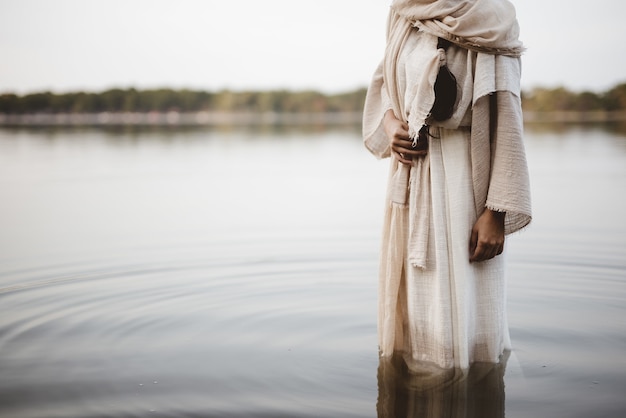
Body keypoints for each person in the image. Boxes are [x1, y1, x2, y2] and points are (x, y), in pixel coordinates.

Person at [363, 0, 532, 371]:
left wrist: (496, 211)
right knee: (415, 309)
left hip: (467, 177)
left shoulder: (490, 16)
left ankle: (469, 387)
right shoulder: (403, 11)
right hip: (411, 173)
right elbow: (387, 83)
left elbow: (507, 117)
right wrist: (393, 127)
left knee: (466, 314)